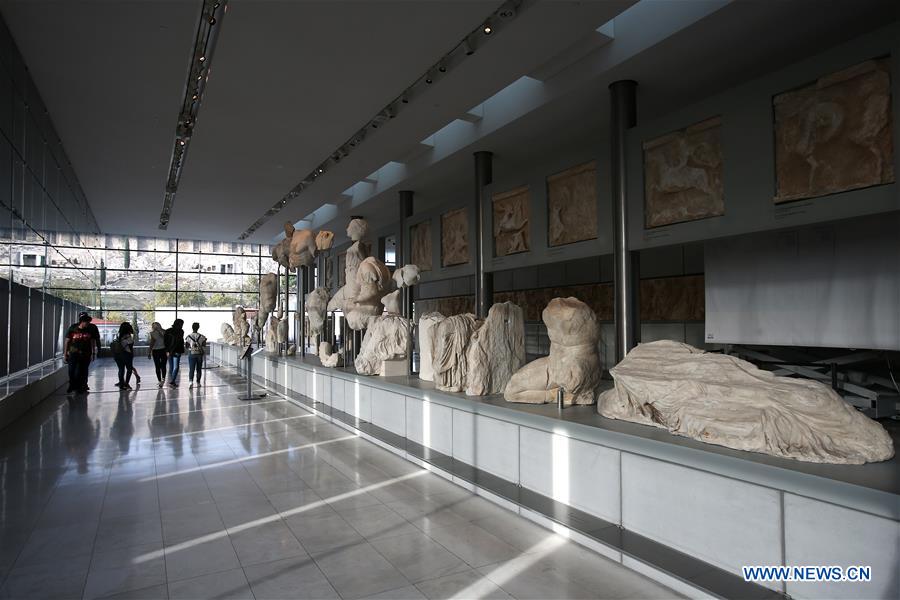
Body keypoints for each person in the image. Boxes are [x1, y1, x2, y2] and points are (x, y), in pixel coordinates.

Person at [65, 312, 100, 391]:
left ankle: (81, 386)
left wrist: (94, 352)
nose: (88, 323)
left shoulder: (91, 329)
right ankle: (73, 385)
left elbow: (93, 341)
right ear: (81, 321)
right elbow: (67, 341)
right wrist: (65, 354)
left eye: (88, 321)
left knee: (82, 371)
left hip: (85, 353)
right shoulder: (73, 328)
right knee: (71, 370)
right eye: (86, 321)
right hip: (73, 353)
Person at [112, 322, 136, 389]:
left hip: (117, 355)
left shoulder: (117, 335)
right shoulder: (128, 336)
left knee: (121, 369)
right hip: (126, 354)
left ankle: (121, 383)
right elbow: (131, 346)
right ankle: (126, 383)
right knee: (129, 369)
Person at [164, 319, 186, 388]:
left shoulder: (167, 331)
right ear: (180, 324)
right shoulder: (181, 331)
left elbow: (165, 342)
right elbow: (179, 342)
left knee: (171, 367)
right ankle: (172, 381)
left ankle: (171, 381)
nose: (182, 325)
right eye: (182, 324)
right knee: (176, 367)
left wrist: (167, 351)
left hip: (169, 351)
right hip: (177, 351)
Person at [185, 322, 207, 389]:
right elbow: (204, 345)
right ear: (198, 327)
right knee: (199, 369)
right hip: (199, 354)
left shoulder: (189, 336)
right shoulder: (201, 336)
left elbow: (186, 346)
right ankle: (198, 382)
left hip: (192, 354)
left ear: (192, 327)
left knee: (191, 369)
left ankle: (191, 382)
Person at [148, 322, 167, 388]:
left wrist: (149, 352)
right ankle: (163, 379)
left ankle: (159, 381)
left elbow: (151, 343)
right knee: (163, 365)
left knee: (157, 366)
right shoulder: (165, 331)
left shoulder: (152, 333)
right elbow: (166, 341)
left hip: (155, 351)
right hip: (163, 350)